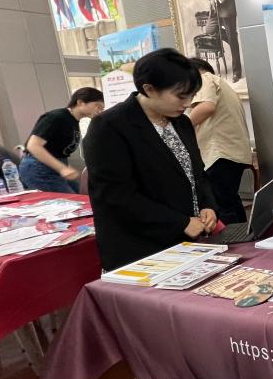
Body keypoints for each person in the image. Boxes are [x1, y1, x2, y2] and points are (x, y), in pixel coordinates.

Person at [83, 48, 218, 271]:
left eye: (192, 96)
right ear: (149, 89)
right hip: (142, 248)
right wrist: (180, 223)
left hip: (188, 241)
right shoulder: (109, 126)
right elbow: (116, 195)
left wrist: (208, 205)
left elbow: (197, 174)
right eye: (180, 96)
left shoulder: (181, 123)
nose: (187, 103)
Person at [188, 57, 252, 225]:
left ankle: (232, 240)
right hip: (233, 153)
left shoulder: (204, 78)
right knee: (231, 201)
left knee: (221, 206)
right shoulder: (223, 85)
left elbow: (206, 107)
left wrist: (180, 128)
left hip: (219, 153)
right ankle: (244, 236)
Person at [19, 87, 104, 193]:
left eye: (102, 108)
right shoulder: (57, 117)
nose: (100, 110)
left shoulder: (73, 121)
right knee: (73, 201)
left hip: (53, 167)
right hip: (39, 168)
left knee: (81, 197)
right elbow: (33, 146)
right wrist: (62, 168)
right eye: (97, 106)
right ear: (80, 102)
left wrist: (64, 167)